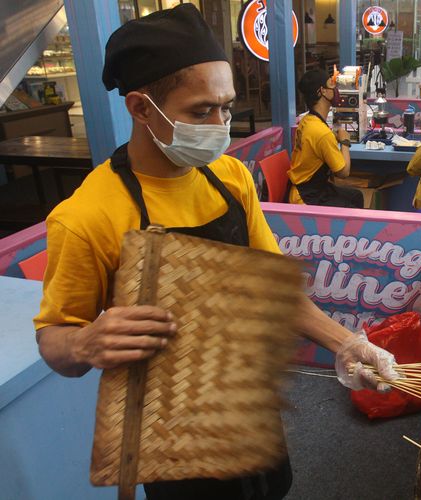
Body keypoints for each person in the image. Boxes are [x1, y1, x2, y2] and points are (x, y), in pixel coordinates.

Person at [33, 5, 397, 499]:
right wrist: (81, 344)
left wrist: (347, 343)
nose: (220, 124)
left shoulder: (230, 179)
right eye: (201, 111)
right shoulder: (87, 217)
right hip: (173, 437)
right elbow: (55, 336)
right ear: (141, 108)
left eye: (225, 107)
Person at [287, 70, 364, 208]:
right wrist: (345, 142)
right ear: (322, 91)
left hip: (309, 188)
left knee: (355, 196)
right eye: (331, 84)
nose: (335, 89)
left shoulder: (307, 121)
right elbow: (344, 172)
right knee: (350, 205)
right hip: (306, 196)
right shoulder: (321, 132)